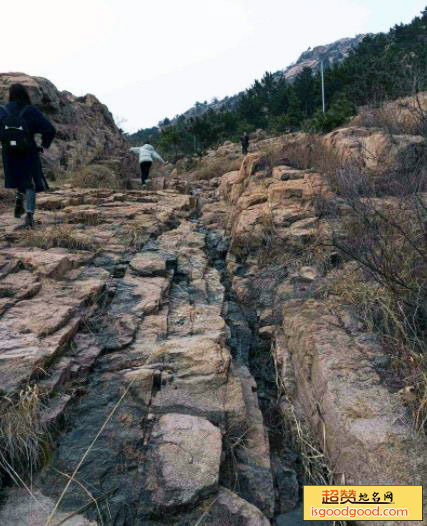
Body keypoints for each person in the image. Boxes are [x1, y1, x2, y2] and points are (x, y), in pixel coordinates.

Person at [0, 84, 56, 227]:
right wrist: (44, 144)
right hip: (28, 151)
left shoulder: (3, 110)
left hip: (8, 152)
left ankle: (19, 199)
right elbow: (50, 129)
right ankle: (29, 215)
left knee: (18, 177)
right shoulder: (30, 110)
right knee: (30, 182)